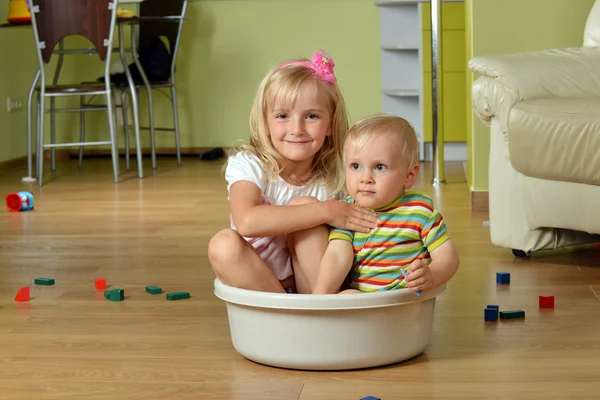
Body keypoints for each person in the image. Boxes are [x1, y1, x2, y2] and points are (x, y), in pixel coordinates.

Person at [208, 50, 379, 294]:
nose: (296, 129)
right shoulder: (250, 165)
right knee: (222, 245)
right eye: (282, 116)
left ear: (330, 124)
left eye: (311, 116)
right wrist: (325, 211)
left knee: (306, 207)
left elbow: (374, 220)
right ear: (265, 122)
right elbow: (246, 221)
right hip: (264, 289)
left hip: (315, 287)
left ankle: (316, 308)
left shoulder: (337, 177)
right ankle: (288, 313)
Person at [312, 114, 460, 294]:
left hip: (405, 302)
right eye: (355, 166)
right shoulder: (348, 210)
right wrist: (321, 295)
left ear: (409, 176)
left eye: (380, 167)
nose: (365, 178)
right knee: (347, 295)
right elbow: (336, 255)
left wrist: (432, 275)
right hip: (363, 303)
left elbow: (447, 256)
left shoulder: (419, 209)